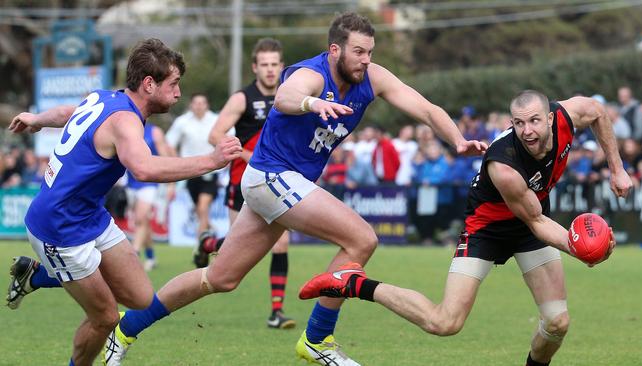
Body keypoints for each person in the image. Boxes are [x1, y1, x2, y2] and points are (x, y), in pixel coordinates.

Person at [102, 12, 485, 366]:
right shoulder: (313, 74)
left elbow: (427, 109)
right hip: (272, 177)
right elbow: (285, 96)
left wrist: (457, 139)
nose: (366, 59)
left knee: (219, 279)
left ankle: (124, 329)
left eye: (370, 52)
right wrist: (310, 102)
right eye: (358, 52)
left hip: (276, 184)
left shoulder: (373, 77)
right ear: (335, 50)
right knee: (361, 239)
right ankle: (318, 339)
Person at [300, 90, 633, 366]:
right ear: (511, 123)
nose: (527, 130)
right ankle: (354, 283)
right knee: (444, 322)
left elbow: (599, 112)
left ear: (550, 117)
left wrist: (617, 169)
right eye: (519, 123)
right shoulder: (504, 164)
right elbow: (536, 221)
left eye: (534, 121)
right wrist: (580, 247)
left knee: (558, 322)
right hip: (487, 229)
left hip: (530, 224)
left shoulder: (567, 117)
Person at [4, 38, 242, 366]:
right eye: (173, 84)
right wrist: (211, 160)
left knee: (141, 298)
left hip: (88, 216)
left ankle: (36, 276)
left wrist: (37, 118)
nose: (178, 93)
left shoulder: (103, 98)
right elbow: (143, 168)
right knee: (105, 317)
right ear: (148, 84)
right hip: (58, 229)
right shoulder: (125, 121)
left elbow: (65, 113)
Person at [195, 37, 296, 329]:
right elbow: (215, 135)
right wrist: (251, 155)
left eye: (274, 64)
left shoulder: (289, 95)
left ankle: (276, 313)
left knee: (281, 243)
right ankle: (209, 243)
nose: (269, 70)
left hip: (279, 183)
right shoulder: (243, 98)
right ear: (255, 67)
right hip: (244, 182)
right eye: (263, 64)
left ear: (282, 66)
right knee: (234, 252)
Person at [165, 93, 220, 250]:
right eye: (196, 103)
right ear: (191, 105)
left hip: (211, 171)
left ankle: (200, 246)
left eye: (202, 103)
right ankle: (209, 228)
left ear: (207, 105)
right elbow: (169, 143)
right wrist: (177, 162)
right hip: (190, 172)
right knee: (199, 209)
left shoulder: (216, 120)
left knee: (203, 207)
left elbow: (228, 138)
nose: (199, 106)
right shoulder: (182, 122)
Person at [125, 123, 175, 271]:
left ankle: (134, 255)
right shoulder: (128, 128)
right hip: (131, 183)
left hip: (150, 183)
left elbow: (165, 159)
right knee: (143, 222)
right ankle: (151, 257)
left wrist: (171, 184)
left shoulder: (155, 132)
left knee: (141, 218)